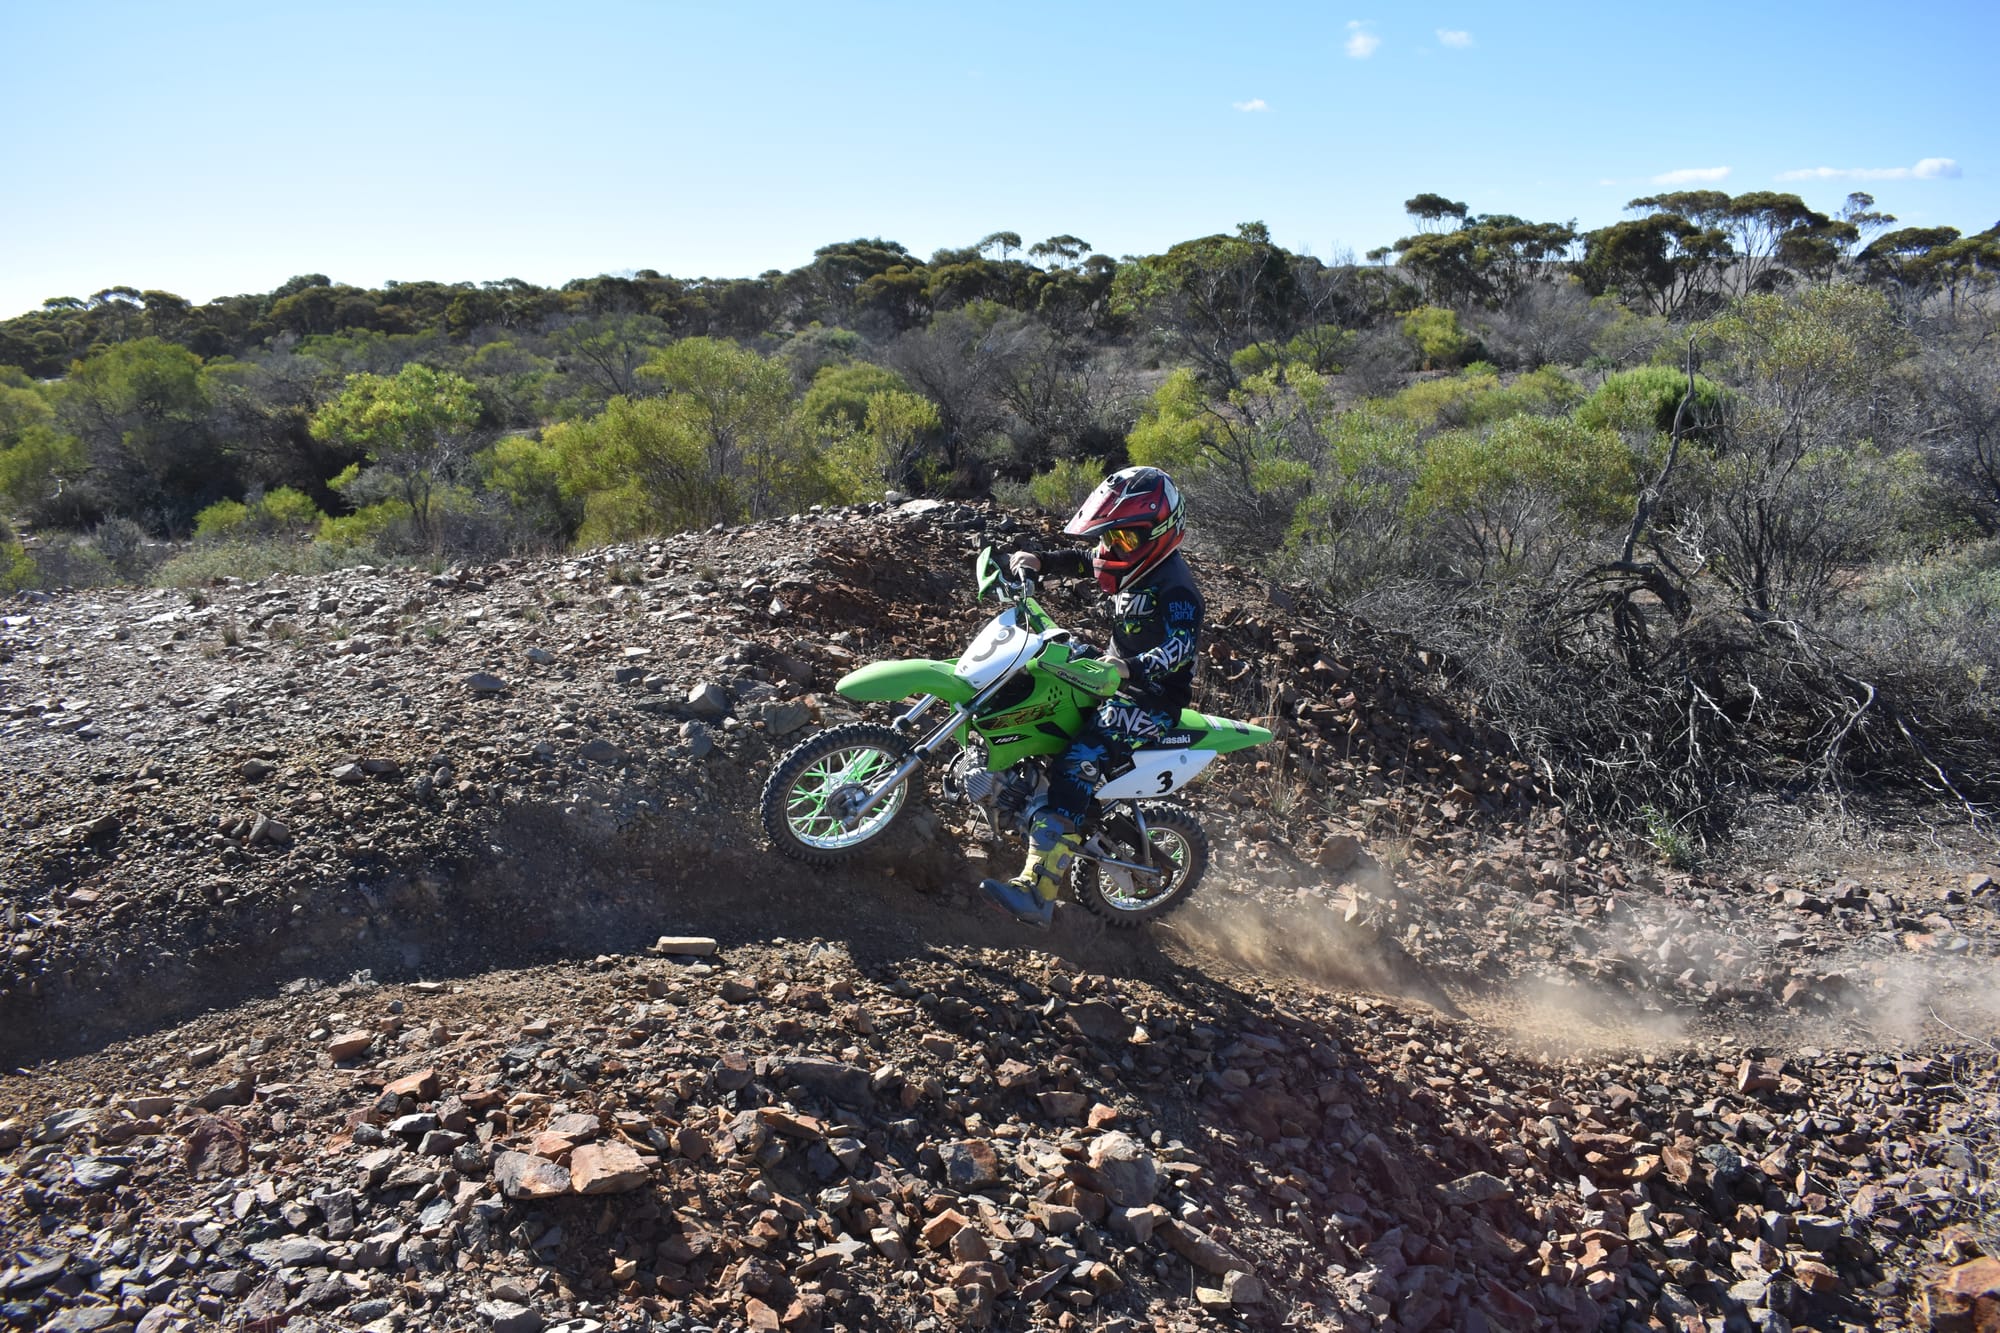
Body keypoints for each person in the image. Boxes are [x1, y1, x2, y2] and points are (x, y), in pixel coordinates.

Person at [980, 466, 1205, 927]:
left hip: (1148, 698)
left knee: (1077, 760)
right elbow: (1088, 561)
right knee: (1031, 683)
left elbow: (1181, 645)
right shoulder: (1122, 554)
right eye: (1108, 536)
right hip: (1110, 677)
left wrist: (1131, 667)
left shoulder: (1177, 587)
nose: (1111, 547)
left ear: (1157, 533)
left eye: (1123, 539)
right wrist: (1041, 560)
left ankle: (1039, 891)